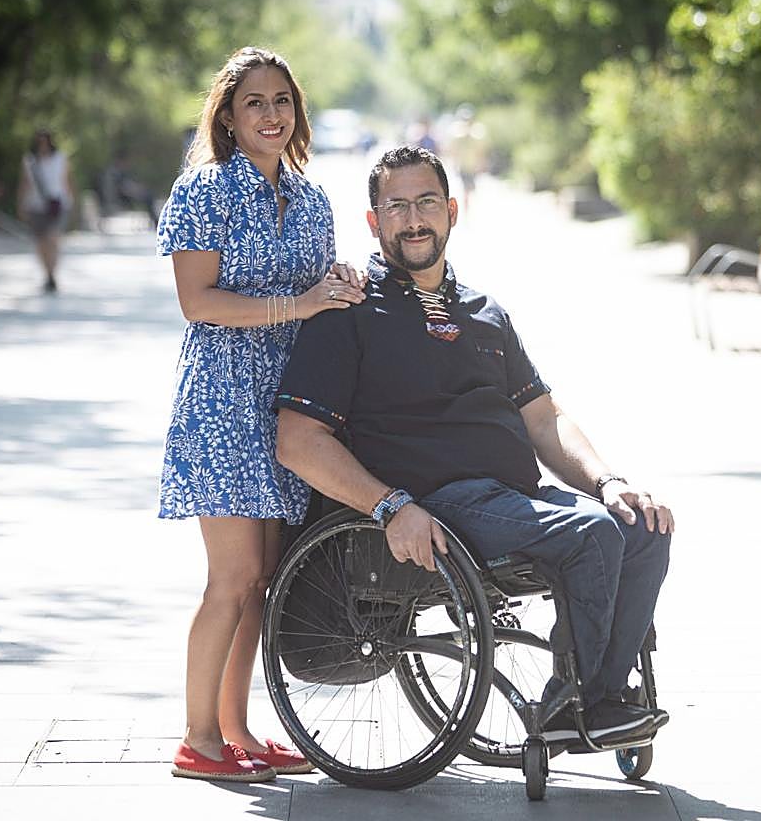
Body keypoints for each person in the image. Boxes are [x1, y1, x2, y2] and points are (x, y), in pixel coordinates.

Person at [275, 146, 674, 749]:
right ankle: (588, 703)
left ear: (452, 211)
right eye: (398, 206)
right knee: (593, 534)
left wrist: (608, 482)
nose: (414, 219)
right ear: (373, 221)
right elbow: (298, 441)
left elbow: (543, 419)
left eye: (427, 202)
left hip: (514, 499)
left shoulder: (485, 313)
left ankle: (598, 693)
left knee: (641, 524)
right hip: (438, 507)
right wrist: (390, 507)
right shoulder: (346, 312)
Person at [154, 46, 366, 783]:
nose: (271, 114)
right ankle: (197, 741)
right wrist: (299, 303)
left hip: (288, 402)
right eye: (255, 103)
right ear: (229, 116)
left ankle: (237, 730)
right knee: (232, 576)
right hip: (221, 398)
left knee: (266, 576)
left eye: (282, 101)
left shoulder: (311, 197)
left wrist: (340, 283)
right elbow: (197, 302)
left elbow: (318, 289)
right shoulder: (204, 190)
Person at [17, 130, 73, 293]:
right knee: (41, 242)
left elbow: (67, 180)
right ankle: (47, 274)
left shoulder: (60, 158)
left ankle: (52, 273)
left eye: (45, 141)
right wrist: (21, 204)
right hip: (35, 205)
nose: (42, 145)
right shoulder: (30, 160)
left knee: (53, 239)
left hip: (56, 204)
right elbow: (25, 183)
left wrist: (70, 202)